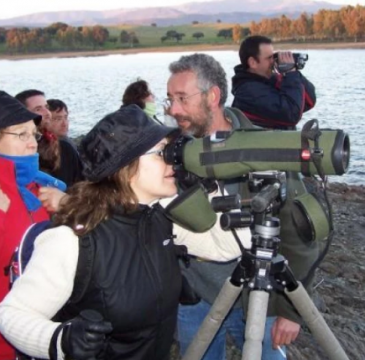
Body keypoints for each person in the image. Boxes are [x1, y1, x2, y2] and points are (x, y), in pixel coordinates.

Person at [0, 105, 251, 360]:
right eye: (161, 152)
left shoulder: (160, 218)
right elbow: (12, 314)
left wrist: (207, 186)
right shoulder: (72, 240)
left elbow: (229, 247)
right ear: (125, 167)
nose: (171, 160)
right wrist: (60, 340)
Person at [166, 53, 319, 360]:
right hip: (194, 297)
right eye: (170, 98)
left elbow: (302, 232)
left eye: (182, 98)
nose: (173, 109)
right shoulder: (169, 151)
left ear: (212, 96)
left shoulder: (264, 149)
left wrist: (290, 311)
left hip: (258, 294)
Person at [0, 91, 67, 360]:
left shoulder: (45, 187)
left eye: (34, 134)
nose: (32, 144)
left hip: (41, 329)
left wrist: (69, 207)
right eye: (21, 134)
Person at [231, 35, 316, 130]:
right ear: (253, 62)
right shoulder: (248, 92)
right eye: (269, 58)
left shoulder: (270, 80)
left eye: (274, 56)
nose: (273, 61)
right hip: (264, 144)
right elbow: (292, 114)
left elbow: (309, 101)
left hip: (279, 143)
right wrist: (290, 73)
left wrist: (292, 71)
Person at [15, 90, 83, 186]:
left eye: (46, 107)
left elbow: (78, 185)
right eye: (38, 109)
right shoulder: (14, 148)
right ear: (22, 114)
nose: (47, 113)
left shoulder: (63, 147)